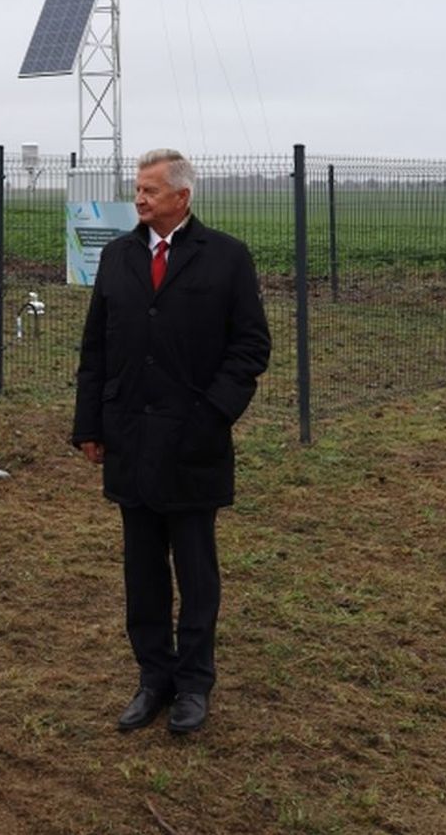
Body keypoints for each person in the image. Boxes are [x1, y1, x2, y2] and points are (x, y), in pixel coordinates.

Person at [72, 149, 271, 736]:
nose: (139, 199)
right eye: (137, 189)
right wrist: (90, 425)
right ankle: (152, 678)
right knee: (142, 570)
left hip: (193, 442)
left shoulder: (227, 258)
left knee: (195, 570)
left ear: (182, 197)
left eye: (150, 190)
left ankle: (193, 684)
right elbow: (95, 349)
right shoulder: (118, 255)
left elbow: (251, 348)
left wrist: (212, 415)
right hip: (130, 438)